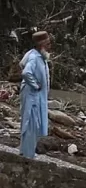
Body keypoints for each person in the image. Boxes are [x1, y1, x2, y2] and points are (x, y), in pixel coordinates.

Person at [19, 31, 51, 159]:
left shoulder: (37, 55)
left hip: (34, 94)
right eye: (48, 44)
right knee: (31, 123)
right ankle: (28, 154)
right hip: (32, 94)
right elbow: (26, 72)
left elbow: (21, 64)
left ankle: (26, 151)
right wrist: (35, 85)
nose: (50, 46)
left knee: (32, 123)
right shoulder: (34, 57)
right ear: (41, 45)